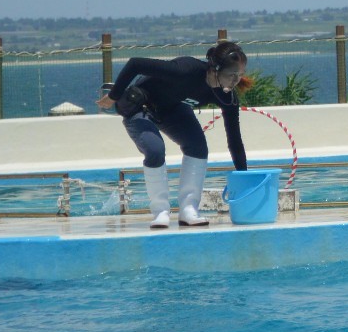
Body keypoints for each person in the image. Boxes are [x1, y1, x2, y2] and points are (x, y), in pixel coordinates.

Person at [97, 41, 251, 229]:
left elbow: (234, 140)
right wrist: (114, 95)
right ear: (216, 69)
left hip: (172, 109)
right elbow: (135, 63)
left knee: (198, 147)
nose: (235, 81)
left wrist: (244, 177)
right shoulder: (186, 70)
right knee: (155, 150)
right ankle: (160, 211)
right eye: (232, 75)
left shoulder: (226, 96)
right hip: (140, 105)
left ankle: (189, 209)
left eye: (240, 75)